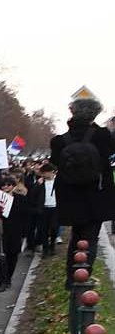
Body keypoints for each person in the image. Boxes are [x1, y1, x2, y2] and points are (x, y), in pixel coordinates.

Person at [51, 89, 115, 285]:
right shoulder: (103, 136)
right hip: (96, 194)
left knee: (76, 237)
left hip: (69, 196)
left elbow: (55, 162)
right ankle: (84, 276)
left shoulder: (59, 141)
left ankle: (71, 277)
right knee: (91, 237)